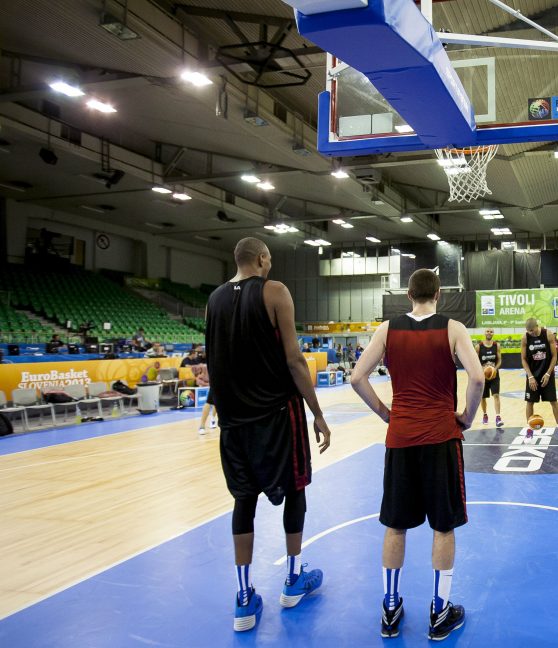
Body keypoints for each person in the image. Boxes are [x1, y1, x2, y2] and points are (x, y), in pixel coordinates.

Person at [206, 237, 332, 633]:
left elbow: (215, 362)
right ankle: (293, 580)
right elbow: (294, 359)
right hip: (278, 416)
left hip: (234, 424)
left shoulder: (214, 299)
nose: (271, 265)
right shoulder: (275, 291)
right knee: (296, 491)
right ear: (260, 259)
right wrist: (318, 413)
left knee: (243, 501)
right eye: (270, 259)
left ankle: (244, 600)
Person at [350, 269, 483, 641]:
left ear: (408, 295)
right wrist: (467, 418)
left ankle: (390, 609)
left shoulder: (387, 330)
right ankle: (440, 613)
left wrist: (385, 413)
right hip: (442, 437)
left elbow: (357, 377)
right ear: (438, 295)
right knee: (443, 526)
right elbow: (476, 378)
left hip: (401, 437)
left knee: (396, 525)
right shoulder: (453, 329)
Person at [520, 317, 558, 445]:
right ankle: (530, 431)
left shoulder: (548, 334)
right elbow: (524, 359)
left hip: (547, 374)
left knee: (553, 401)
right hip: (532, 376)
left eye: (532, 330)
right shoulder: (525, 338)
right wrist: (530, 376)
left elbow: (554, 356)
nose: (531, 332)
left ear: (537, 326)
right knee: (530, 402)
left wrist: (548, 373)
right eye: (528, 331)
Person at [476, 328, 503, 428]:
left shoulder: (497, 346)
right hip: (483, 377)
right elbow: (475, 361)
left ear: (493, 333)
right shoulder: (479, 347)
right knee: (483, 397)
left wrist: (495, 368)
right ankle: (485, 415)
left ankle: (498, 417)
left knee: (496, 395)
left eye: (491, 331)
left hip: (494, 375)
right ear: (484, 333)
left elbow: (499, 360)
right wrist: (482, 369)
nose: (489, 333)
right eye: (487, 331)